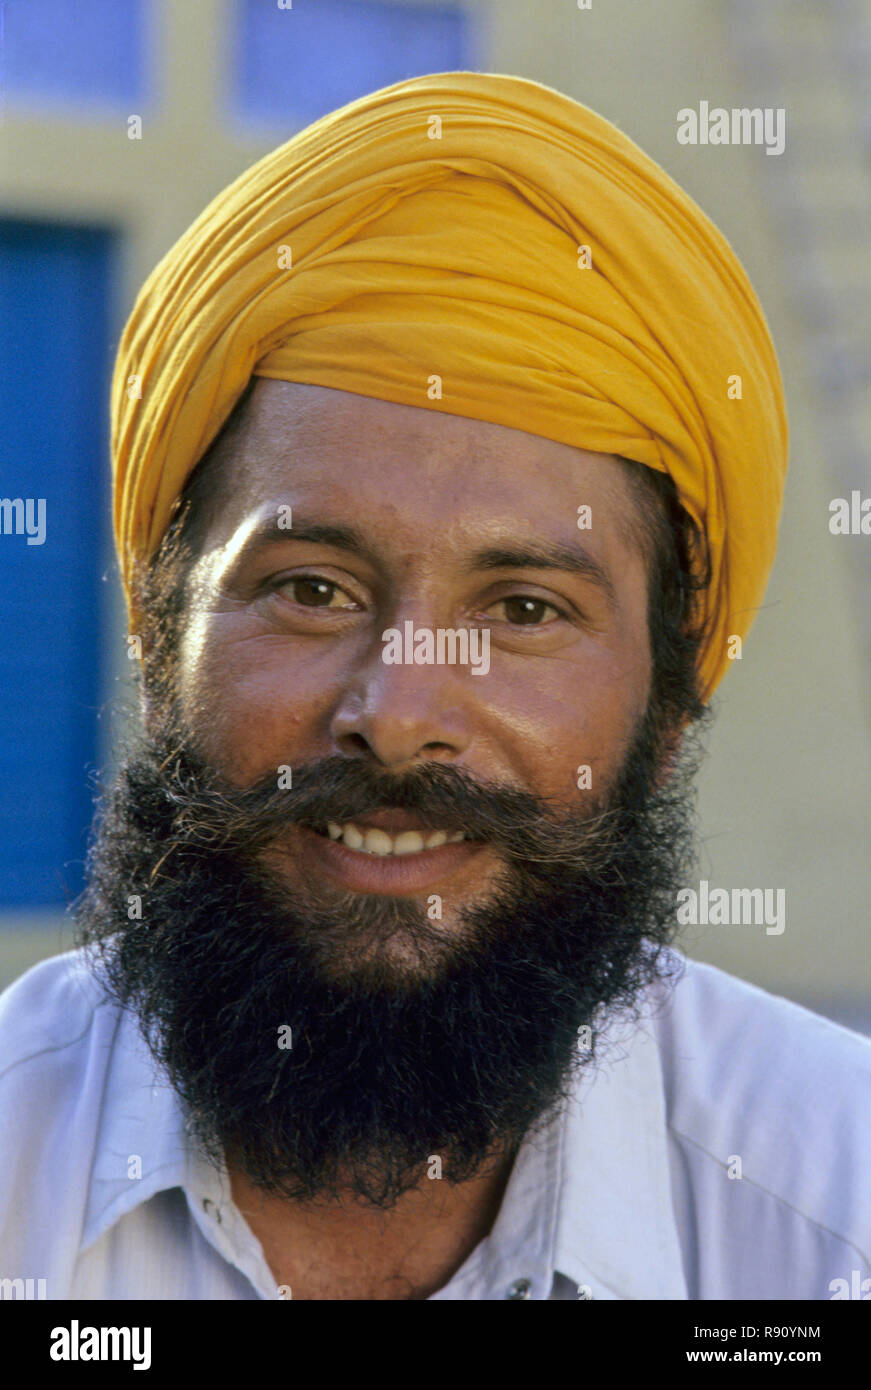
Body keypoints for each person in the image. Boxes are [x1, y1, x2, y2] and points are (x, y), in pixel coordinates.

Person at [1, 71, 869, 1302]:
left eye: (523, 611)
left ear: (671, 707)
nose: (400, 714)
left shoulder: (833, 1219)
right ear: (154, 636)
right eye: (312, 589)